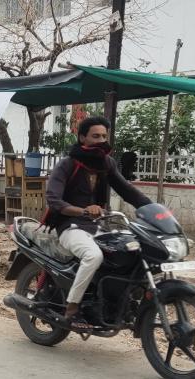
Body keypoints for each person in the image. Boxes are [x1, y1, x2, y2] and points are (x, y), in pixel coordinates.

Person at [44, 116, 154, 331]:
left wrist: (154, 209)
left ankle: (112, 302)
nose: (101, 141)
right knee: (93, 256)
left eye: (104, 136)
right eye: (96, 136)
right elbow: (54, 200)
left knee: (129, 253)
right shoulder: (67, 164)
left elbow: (127, 190)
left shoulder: (106, 163)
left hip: (99, 225)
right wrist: (83, 210)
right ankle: (72, 307)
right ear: (82, 138)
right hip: (70, 225)